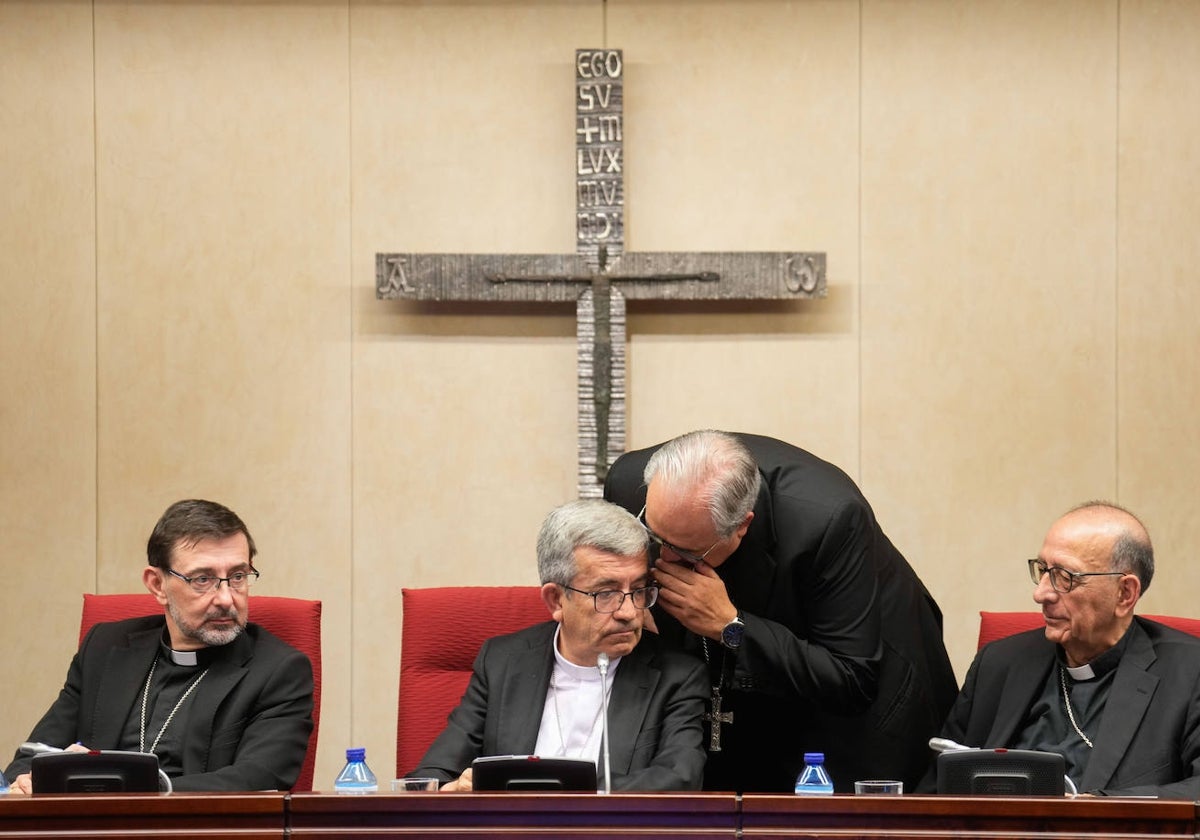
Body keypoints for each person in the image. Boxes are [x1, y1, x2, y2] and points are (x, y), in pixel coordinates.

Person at [604, 430, 958, 793]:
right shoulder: (628, 483)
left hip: (858, 701)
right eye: (654, 536)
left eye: (685, 552)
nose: (663, 558)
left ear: (742, 526)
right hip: (751, 688)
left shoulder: (829, 518)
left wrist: (731, 626)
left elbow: (850, 677)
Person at [3, 499, 313, 793]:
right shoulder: (105, 648)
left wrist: (110, 788)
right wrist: (26, 781)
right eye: (202, 579)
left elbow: (258, 779)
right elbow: (32, 757)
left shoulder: (278, 670)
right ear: (157, 584)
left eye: (237, 576)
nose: (226, 598)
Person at [410, 499, 708, 791]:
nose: (629, 612)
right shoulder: (502, 662)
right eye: (606, 593)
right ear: (555, 600)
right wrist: (450, 791)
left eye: (639, 590)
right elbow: (429, 778)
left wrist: (540, 791)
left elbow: (679, 780)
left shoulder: (677, 675)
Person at [920, 502, 1200, 798]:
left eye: (1065, 577)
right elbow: (935, 789)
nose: (1040, 593)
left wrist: (1097, 808)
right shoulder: (1000, 663)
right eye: (1042, 570)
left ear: (1125, 593)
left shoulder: (1189, 673)